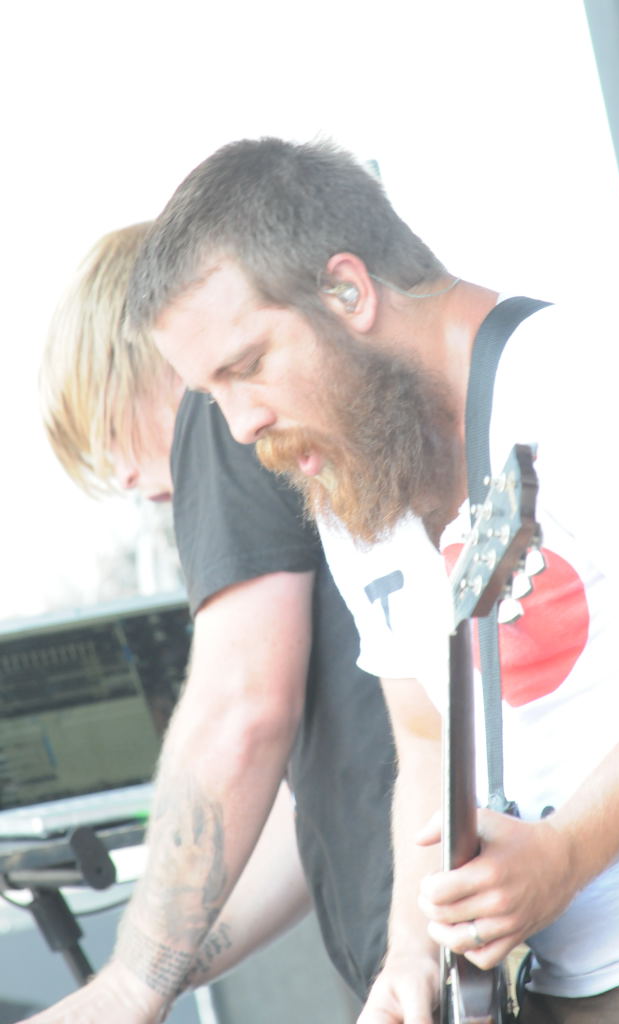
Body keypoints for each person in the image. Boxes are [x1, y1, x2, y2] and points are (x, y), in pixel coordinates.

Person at [124, 137, 619, 1024]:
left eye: (247, 365)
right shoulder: (355, 479)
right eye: (209, 393)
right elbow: (424, 734)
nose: (239, 427)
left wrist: (570, 853)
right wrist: (411, 958)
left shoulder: (584, 380)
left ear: (349, 291)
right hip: (563, 979)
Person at [28, 222, 395, 1023]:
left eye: (108, 435)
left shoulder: (214, 425)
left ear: (151, 361)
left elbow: (241, 712)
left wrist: (130, 986)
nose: (124, 476)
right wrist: (152, 968)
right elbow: (305, 821)